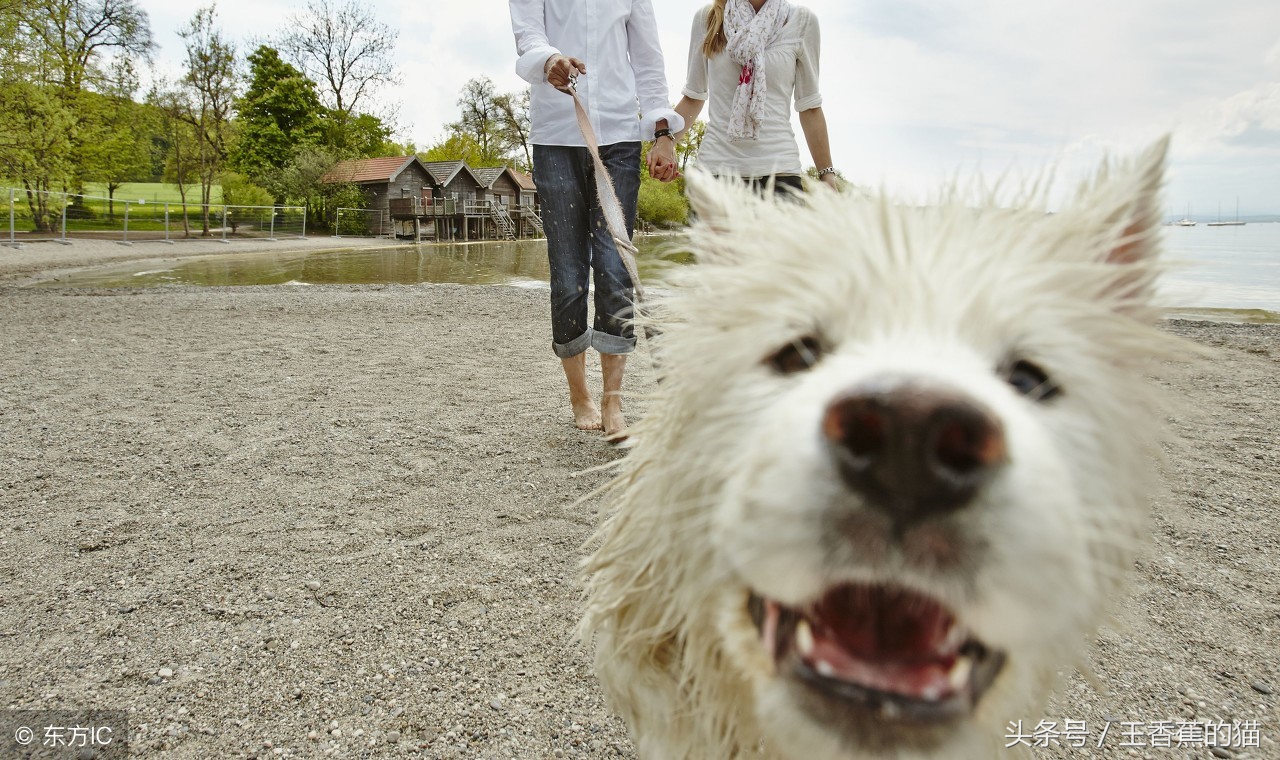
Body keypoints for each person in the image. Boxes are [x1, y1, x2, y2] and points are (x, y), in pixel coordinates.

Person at [510, 0, 681, 439]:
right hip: (556, 134)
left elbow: (647, 60)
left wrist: (662, 133)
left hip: (621, 136)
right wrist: (549, 60)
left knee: (614, 269)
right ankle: (579, 394)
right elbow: (529, 37)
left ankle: (613, 398)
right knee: (568, 275)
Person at [661, 0, 839, 196]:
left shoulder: (802, 21)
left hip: (779, 176)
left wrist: (826, 174)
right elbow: (693, 98)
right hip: (715, 176)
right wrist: (665, 142)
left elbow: (810, 106)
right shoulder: (708, 18)